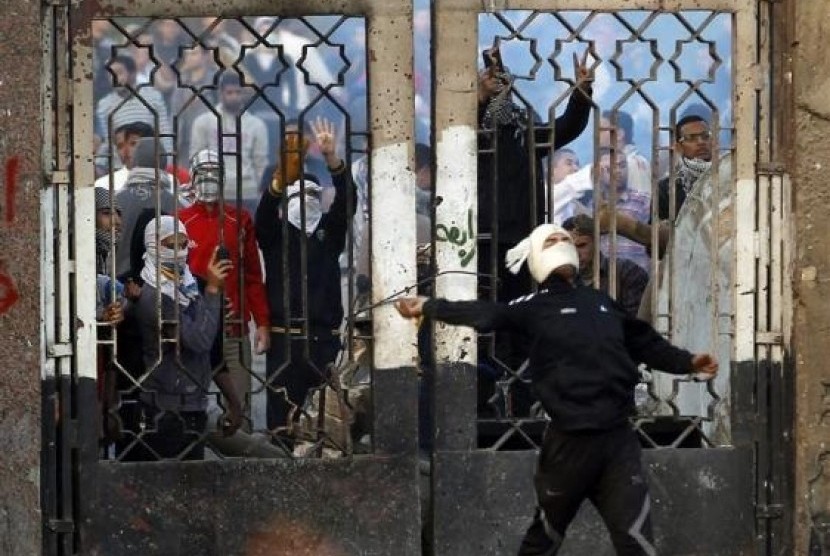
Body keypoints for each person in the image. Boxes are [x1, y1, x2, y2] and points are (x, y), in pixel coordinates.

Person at [394, 222, 719, 555]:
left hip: (617, 442)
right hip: (569, 446)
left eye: (569, 241)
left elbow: (646, 343)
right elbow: (487, 313)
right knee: (545, 538)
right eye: (555, 240)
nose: (565, 244)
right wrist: (430, 306)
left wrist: (689, 362)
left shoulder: (601, 303)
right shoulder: (533, 306)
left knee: (636, 541)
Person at [255, 118, 355, 444]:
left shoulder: (329, 234)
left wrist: (332, 159)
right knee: (282, 425)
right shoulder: (276, 236)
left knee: (324, 424)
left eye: (313, 194)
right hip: (285, 341)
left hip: (323, 340)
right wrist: (278, 183)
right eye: (298, 195)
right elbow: (262, 218)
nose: (306, 201)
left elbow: (348, 201)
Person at [131, 216, 242, 460]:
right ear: (152, 246)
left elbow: (211, 349)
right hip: (163, 410)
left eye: (183, 245)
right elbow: (199, 341)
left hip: (194, 405)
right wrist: (213, 292)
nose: (179, 253)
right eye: (171, 246)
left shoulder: (188, 286)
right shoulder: (154, 296)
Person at [179, 148, 271, 422]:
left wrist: (262, 323)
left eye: (214, 174)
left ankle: (239, 461)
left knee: (238, 412)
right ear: (193, 178)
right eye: (203, 174)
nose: (208, 180)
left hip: (232, 329)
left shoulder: (238, 219)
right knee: (190, 412)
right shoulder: (180, 222)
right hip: (193, 333)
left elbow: (253, 276)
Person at [190, 72, 269, 213]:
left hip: (247, 192)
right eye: (229, 92)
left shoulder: (256, 125)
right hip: (215, 191)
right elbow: (196, 158)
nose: (234, 97)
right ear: (221, 93)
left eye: (238, 92)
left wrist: (261, 191)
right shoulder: (204, 122)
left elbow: (260, 162)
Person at [563, 214, 648, 317]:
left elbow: (634, 325)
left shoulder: (628, 273)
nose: (576, 254)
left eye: (581, 245)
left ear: (597, 242)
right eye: (569, 247)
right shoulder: (561, 281)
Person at [654, 114, 713, 222]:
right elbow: (657, 233)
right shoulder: (666, 189)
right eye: (691, 138)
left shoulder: (729, 175)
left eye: (705, 136)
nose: (701, 142)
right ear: (678, 147)